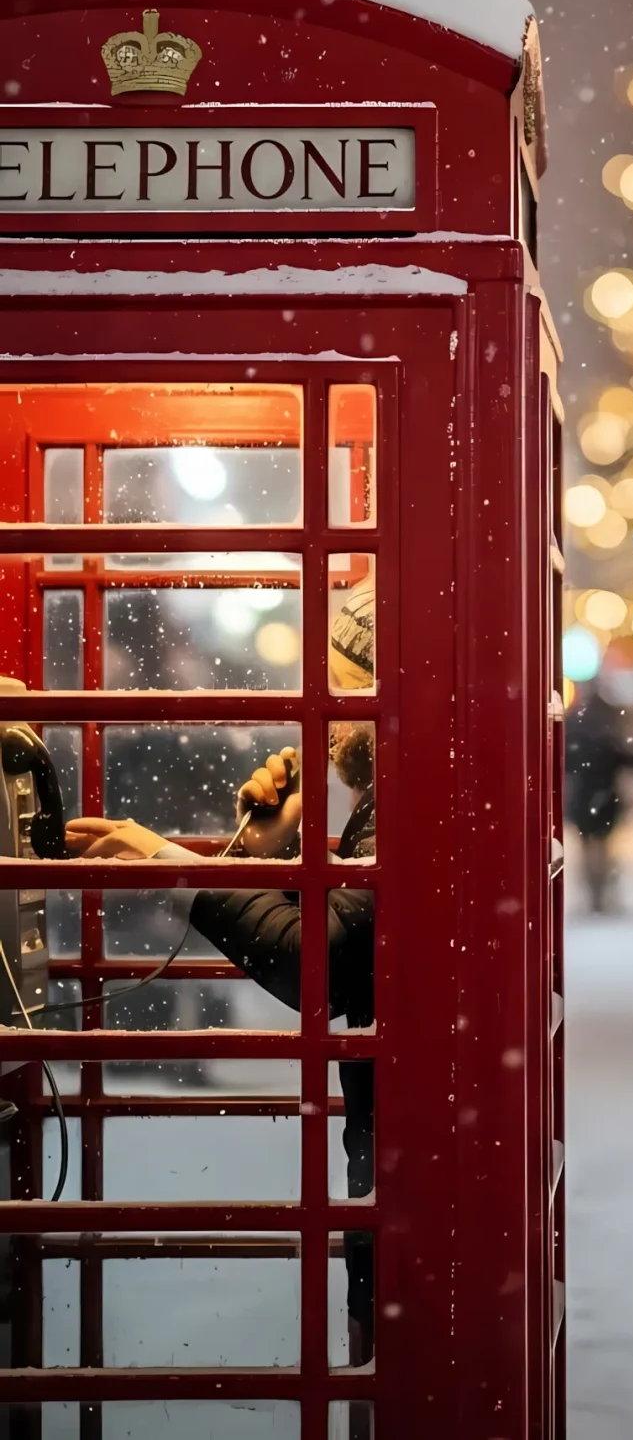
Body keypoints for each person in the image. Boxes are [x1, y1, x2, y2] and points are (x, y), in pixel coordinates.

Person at [62, 575, 377, 1401]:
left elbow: (324, 965)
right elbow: (335, 943)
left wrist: (173, 864)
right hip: (398, 1159)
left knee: (384, 1349)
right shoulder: (384, 801)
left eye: (336, 685)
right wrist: (275, 845)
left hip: (407, 1168)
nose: (324, 705)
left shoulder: (401, 803)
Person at [564, 684, 626, 913]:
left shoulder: (575, 728)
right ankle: (601, 892)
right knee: (603, 845)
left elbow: (567, 762)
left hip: (584, 793)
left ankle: (592, 892)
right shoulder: (609, 730)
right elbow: (622, 761)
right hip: (605, 793)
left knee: (587, 844)